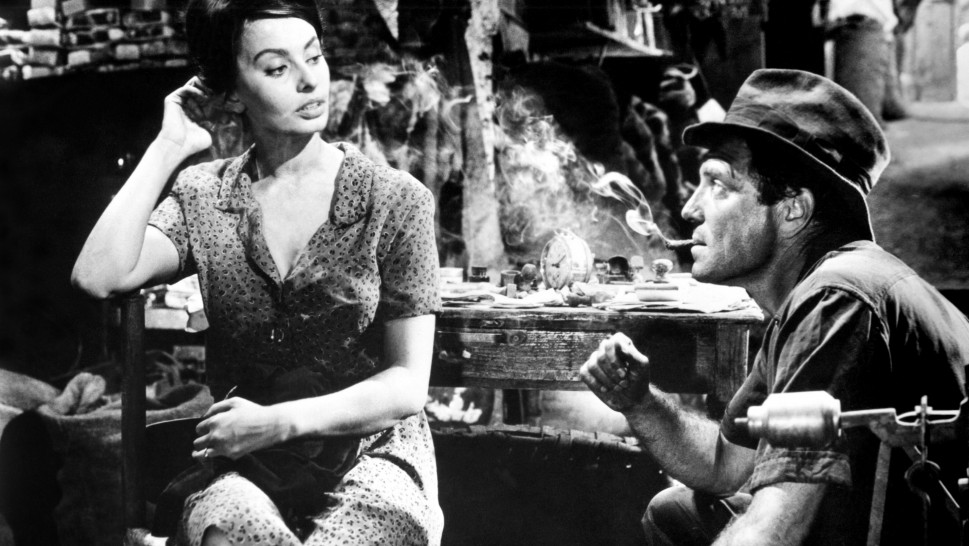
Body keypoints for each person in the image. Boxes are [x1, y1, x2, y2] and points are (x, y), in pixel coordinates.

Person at [71, 0, 443, 544]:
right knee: (234, 533)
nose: (309, 81)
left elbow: (407, 385)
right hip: (248, 457)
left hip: (373, 450)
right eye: (276, 68)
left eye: (314, 57)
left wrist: (278, 421)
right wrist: (169, 146)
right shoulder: (205, 196)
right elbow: (97, 275)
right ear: (230, 94)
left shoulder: (395, 199)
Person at [580, 69, 969, 545]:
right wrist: (639, 402)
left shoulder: (836, 300)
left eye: (718, 185)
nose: (689, 209)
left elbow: (775, 531)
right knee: (676, 511)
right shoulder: (812, 297)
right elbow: (727, 463)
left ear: (792, 209)